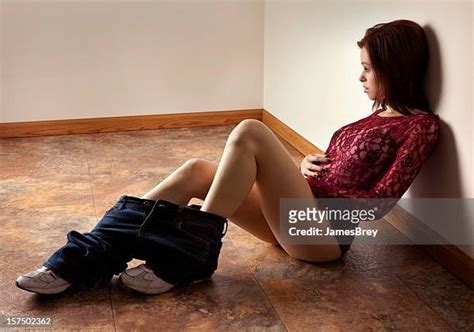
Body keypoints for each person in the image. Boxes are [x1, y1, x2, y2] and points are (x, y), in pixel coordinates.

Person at [16, 19, 440, 295]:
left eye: (368, 68)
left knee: (251, 130)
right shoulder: (369, 119)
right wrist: (305, 167)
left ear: (396, 67)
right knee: (196, 170)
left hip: (323, 235)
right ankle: (82, 259)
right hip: (295, 217)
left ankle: (188, 257)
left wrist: (328, 195)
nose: (360, 76)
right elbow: (336, 166)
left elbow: (382, 203)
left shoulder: (420, 126)